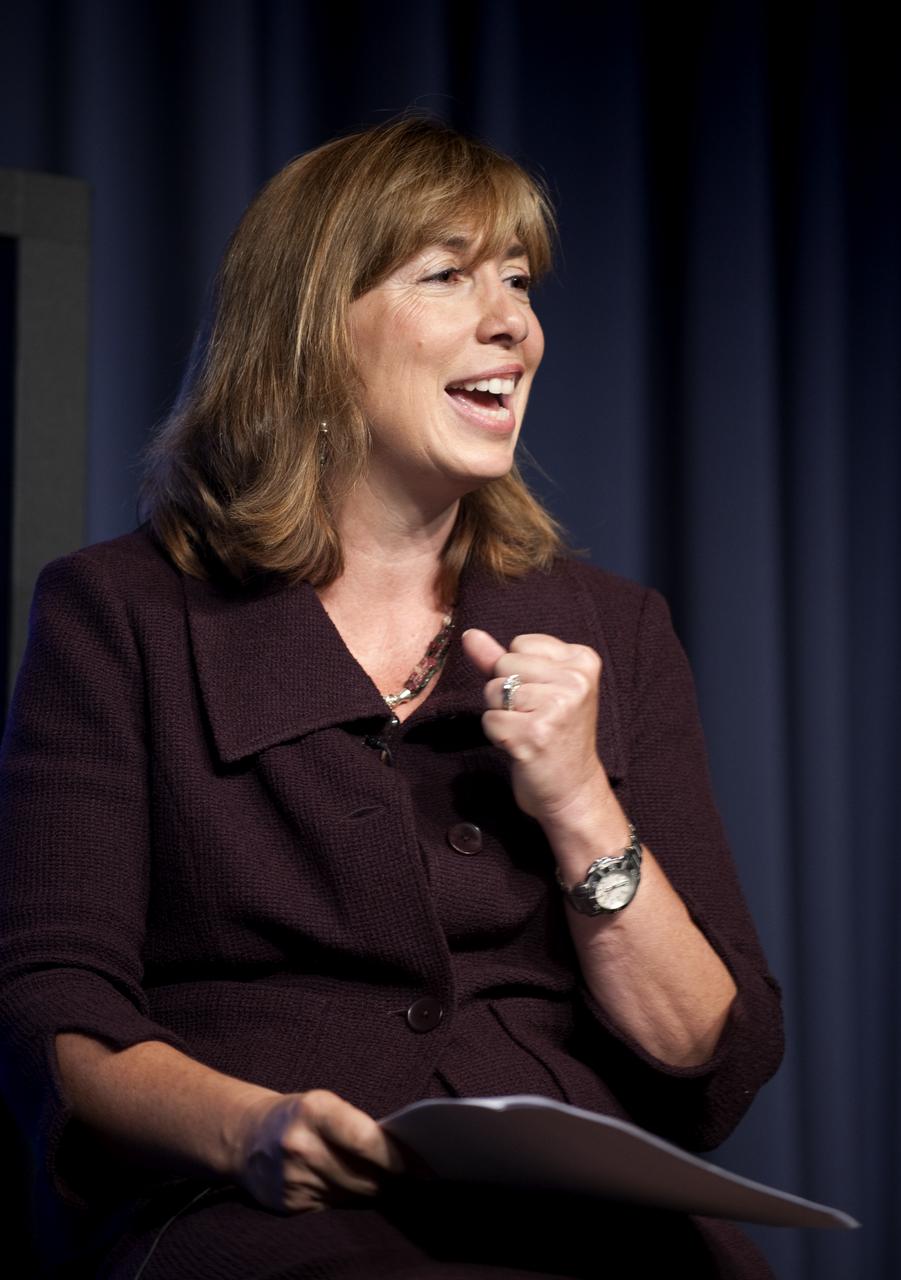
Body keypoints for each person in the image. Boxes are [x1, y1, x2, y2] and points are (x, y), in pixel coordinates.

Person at [0, 116, 783, 1278]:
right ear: (314, 331)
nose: (512, 321)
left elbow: (706, 1049)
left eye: (517, 281)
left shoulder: (608, 628)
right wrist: (248, 1126)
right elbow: (54, 1006)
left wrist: (578, 803)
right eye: (448, 275)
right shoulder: (119, 614)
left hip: (581, 1223)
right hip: (262, 1216)